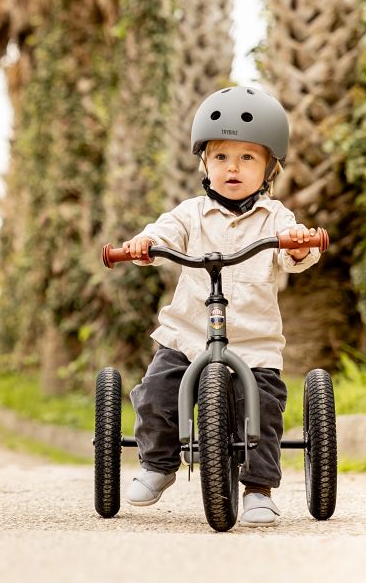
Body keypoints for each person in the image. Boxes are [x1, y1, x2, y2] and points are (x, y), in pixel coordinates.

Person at [120, 86, 321, 527]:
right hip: (188, 336)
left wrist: (299, 245)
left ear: (270, 168)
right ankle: (157, 465)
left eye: (247, 157)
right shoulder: (190, 213)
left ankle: (258, 490)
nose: (233, 167)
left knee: (263, 409)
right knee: (156, 393)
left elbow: (297, 254)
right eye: (221, 157)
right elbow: (164, 232)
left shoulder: (276, 217)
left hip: (253, 344)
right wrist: (146, 243)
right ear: (204, 165)